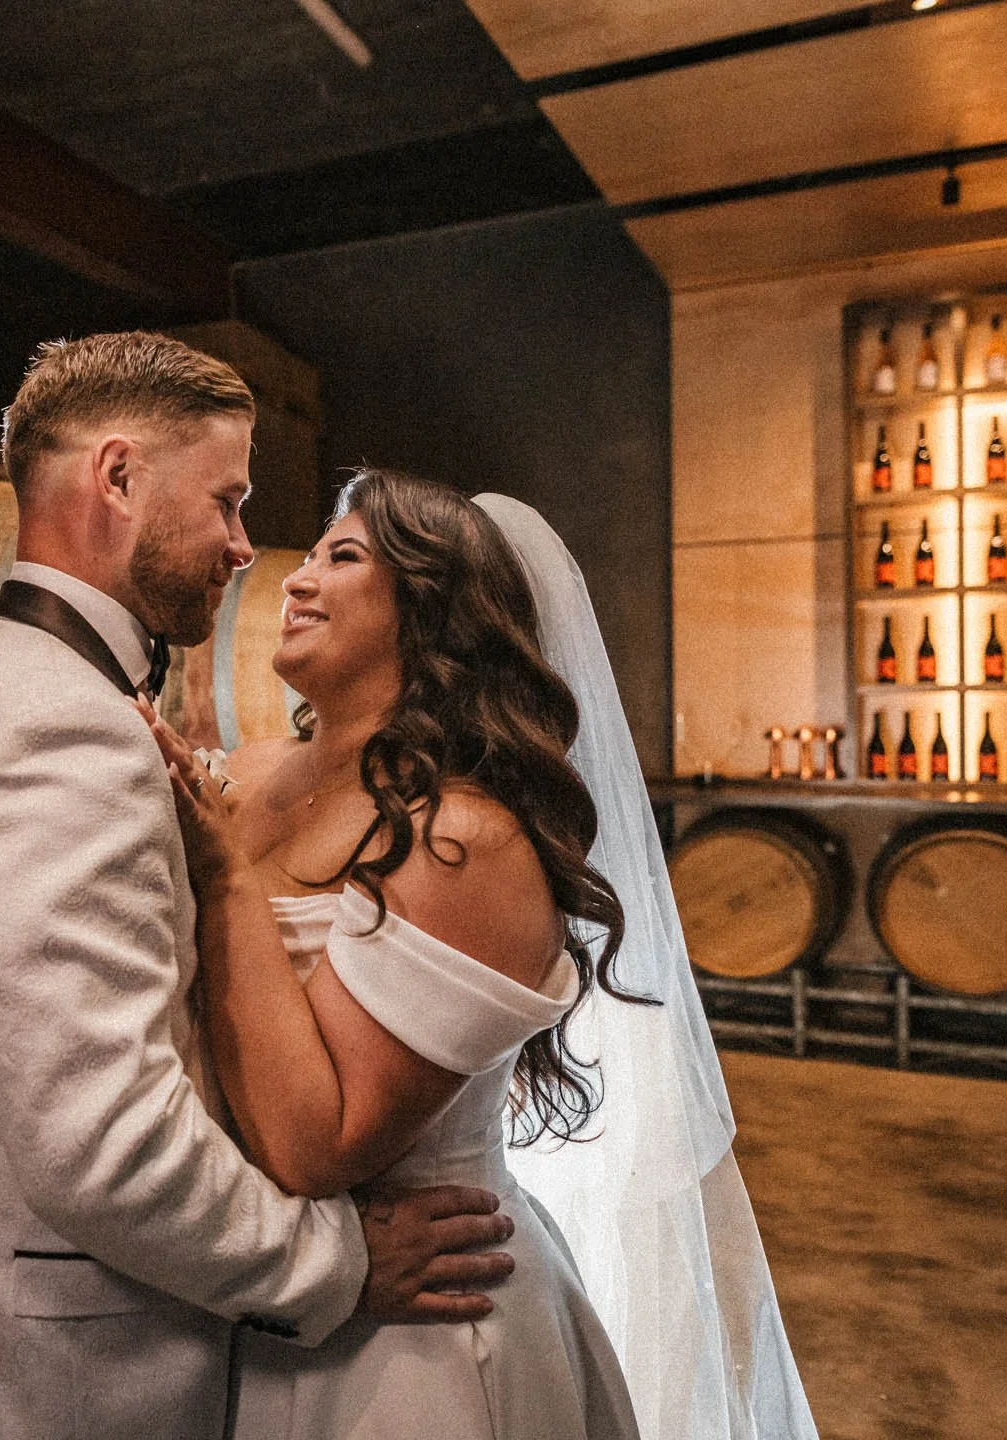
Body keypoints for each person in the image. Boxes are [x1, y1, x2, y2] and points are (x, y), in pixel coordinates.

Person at [0, 338, 516, 1440]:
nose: (251, 549)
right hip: (50, 1381)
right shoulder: (57, 731)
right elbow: (109, 1147)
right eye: (229, 502)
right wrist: (336, 1262)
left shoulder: (44, 694)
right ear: (117, 480)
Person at [142, 471, 818, 1440]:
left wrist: (230, 881)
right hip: (254, 1292)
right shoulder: (244, 778)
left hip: (413, 1339)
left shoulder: (464, 842)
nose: (294, 579)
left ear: (432, 616)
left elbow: (314, 1146)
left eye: (344, 557)